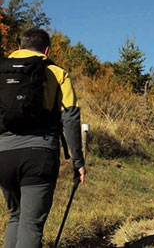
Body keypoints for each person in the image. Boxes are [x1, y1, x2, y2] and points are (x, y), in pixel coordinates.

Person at [0, 28, 87, 248]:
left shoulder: (2, 70)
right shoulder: (58, 73)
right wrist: (78, 162)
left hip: (3, 154)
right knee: (31, 225)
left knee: (15, 217)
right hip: (39, 154)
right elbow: (70, 119)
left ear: (19, 47)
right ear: (46, 50)